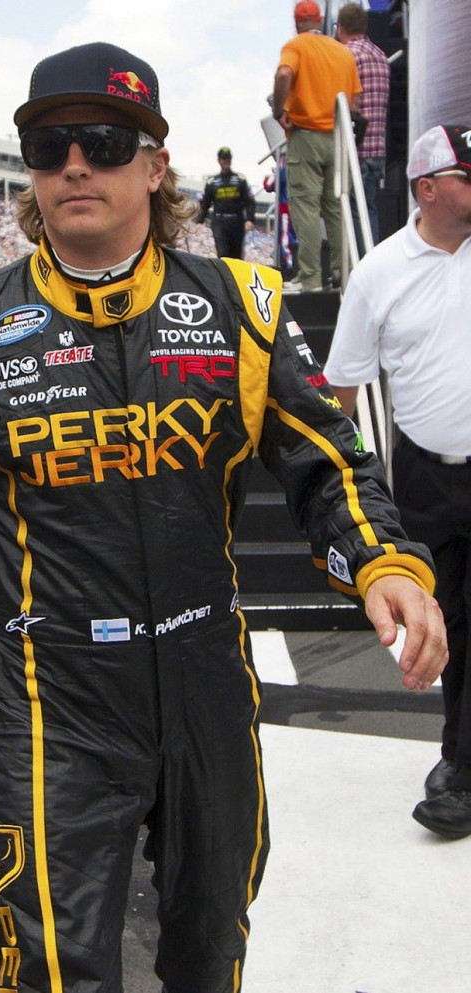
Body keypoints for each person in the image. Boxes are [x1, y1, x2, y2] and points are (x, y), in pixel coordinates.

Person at [0, 42, 447, 992]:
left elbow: (328, 462)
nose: (76, 164)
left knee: (212, 949)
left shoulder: (241, 307)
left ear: (155, 163)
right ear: (31, 171)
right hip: (57, 697)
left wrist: (384, 563)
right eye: (49, 147)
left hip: (209, 678)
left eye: (104, 139)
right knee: (54, 970)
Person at [324, 122, 471, 841]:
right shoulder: (379, 272)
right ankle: (459, 752)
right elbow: (343, 393)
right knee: (448, 622)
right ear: (428, 187)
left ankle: (460, 771)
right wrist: (344, 488)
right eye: (469, 176)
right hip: (421, 473)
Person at [272, 0, 362, 292]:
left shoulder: (295, 46)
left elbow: (284, 74)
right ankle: (342, 273)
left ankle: (309, 278)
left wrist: (278, 109)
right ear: (321, 20)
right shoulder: (343, 52)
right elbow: (355, 101)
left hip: (306, 135)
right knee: (337, 206)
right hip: (338, 137)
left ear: (297, 23)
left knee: (306, 206)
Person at [336, 2, 391, 253]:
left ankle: (362, 264)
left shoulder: (346, 56)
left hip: (355, 148)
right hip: (377, 146)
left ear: (340, 28)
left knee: (353, 212)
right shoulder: (381, 56)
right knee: (370, 209)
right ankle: (373, 258)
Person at [195, 147, 255, 258]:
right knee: (222, 255)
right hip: (219, 222)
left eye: (228, 158)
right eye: (223, 159)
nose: (226, 161)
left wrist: (249, 219)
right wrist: (199, 220)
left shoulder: (240, 179)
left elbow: (249, 201)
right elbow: (205, 203)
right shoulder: (212, 182)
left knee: (236, 256)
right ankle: (224, 275)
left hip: (237, 221)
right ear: (219, 160)